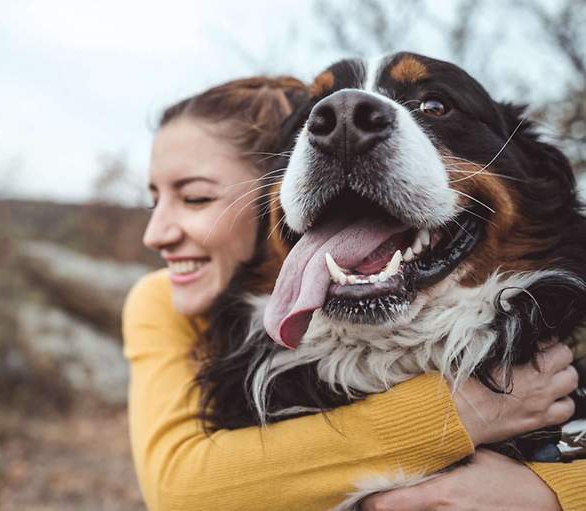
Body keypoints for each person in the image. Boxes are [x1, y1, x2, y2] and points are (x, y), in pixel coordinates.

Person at [123, 76, 586, 511]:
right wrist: (458, 414)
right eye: (153, 200)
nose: (153, 234)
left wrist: (555, 489)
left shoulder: (561, 344)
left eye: (196, 198)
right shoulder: (159, 300)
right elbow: (181, 487)